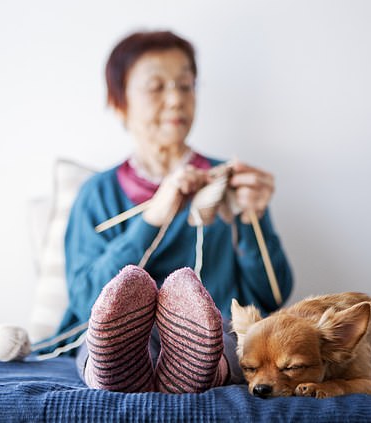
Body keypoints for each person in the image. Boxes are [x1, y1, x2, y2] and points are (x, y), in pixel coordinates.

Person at [55, 30, 293, 393]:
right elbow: (86, 298)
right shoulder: (97, 194)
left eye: (186, 86)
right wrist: (152, 219)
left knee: (222, 334)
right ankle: (117, 371)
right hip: (119, 334)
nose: (176, 100)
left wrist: (253, 219)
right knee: (102, 337)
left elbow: (272, 297)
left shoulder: (226, 184)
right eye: (156, 87)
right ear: (120, 103)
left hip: (213, 331)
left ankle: (201, 367)